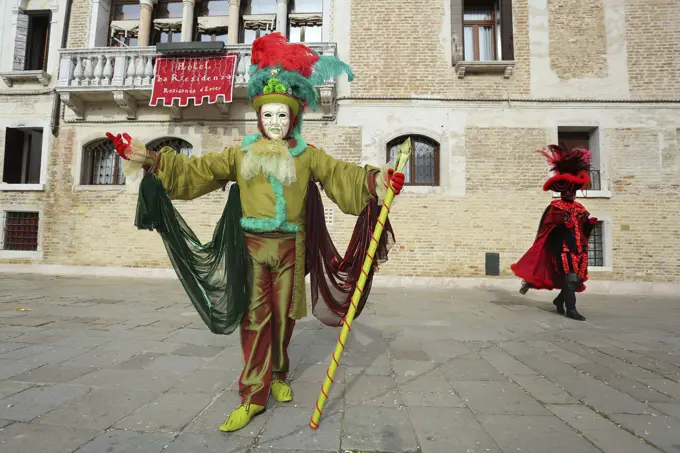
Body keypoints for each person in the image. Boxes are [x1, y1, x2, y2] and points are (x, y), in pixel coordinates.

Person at [106, 33, 405, 432]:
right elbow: (199, 171)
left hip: (290, 249)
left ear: (292, 118)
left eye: (283, 115)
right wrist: (151, 158)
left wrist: (378, 181)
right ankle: (252, 393)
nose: (276, 122)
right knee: (255, 318)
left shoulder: (308, 155)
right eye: (269, 115)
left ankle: (279, 373)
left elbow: (342, 176)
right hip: (251, 248)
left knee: (284, 318)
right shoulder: (241, 152)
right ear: (260, 117)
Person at [512, 144, 598, 321]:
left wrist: (589, 224)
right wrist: (562, 223)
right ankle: (571, 309)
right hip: (564, 249)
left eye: (572, 190)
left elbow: (583, 229)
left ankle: (559, 301)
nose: (570, 193)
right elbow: (549, 226)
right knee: (571, 278)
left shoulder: (579, 207)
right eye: (567, 189)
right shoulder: (555, 207)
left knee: (576, 280)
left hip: (579, 249)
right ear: (562, 190)